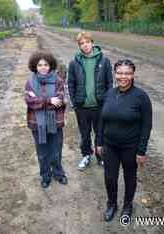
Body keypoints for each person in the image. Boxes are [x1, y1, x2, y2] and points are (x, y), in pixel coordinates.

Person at [97, 59, 152, 221]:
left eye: (127, 73)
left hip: (130, 147)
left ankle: (128, 205)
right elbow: (102, 120)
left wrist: (141, 151)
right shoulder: (109, 94)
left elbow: (146, 126)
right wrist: (99, 142)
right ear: (115, 74)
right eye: (120, 73)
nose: (123, 76)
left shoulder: (141, 97)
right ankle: (112, 204)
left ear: (133, 75)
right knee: (110, 177)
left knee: (130, 177)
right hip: (110, 146)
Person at [67, 31, 113, 170]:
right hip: (82, 107)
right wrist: (74, 102)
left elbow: (109, 83)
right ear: (79, 46)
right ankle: (86, 155)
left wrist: (108, 102)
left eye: (87, 42)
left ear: (92, 42)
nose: (85, 45)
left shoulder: (104, 61)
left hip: (99, 105)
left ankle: (101, 156)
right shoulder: (74, 63)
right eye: (82, 43)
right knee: (85, 134)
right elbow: (70, 83)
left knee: (101, 133)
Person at [25, 51, 68, 188]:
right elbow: (30, 101)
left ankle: (58, 173)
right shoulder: (30, 82)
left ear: (51, 66)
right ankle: (45, 176)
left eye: (46, 64)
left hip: (55, 122)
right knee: (42, 153)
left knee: (56, 150)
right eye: (40, 65)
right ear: (35, 66)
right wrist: (48, 100)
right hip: (37, 124)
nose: (43, 67)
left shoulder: (58, 81)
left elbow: (60, 101)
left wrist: (40, 101)